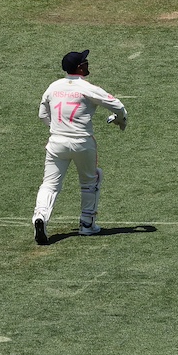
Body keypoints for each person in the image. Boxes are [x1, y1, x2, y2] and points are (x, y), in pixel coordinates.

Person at [32, 50, 128, 245]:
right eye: (85, 62)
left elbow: (43, 114)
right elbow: (118, 106)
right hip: (83, 142)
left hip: (56, 142)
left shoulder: (53, 86)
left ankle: (40, 217)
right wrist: (120, 121)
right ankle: (87, 224)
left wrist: (58, 129)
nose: (87, 63)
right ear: (79, 67)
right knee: (90, 181)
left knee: (49, 184)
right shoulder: (87, 88)